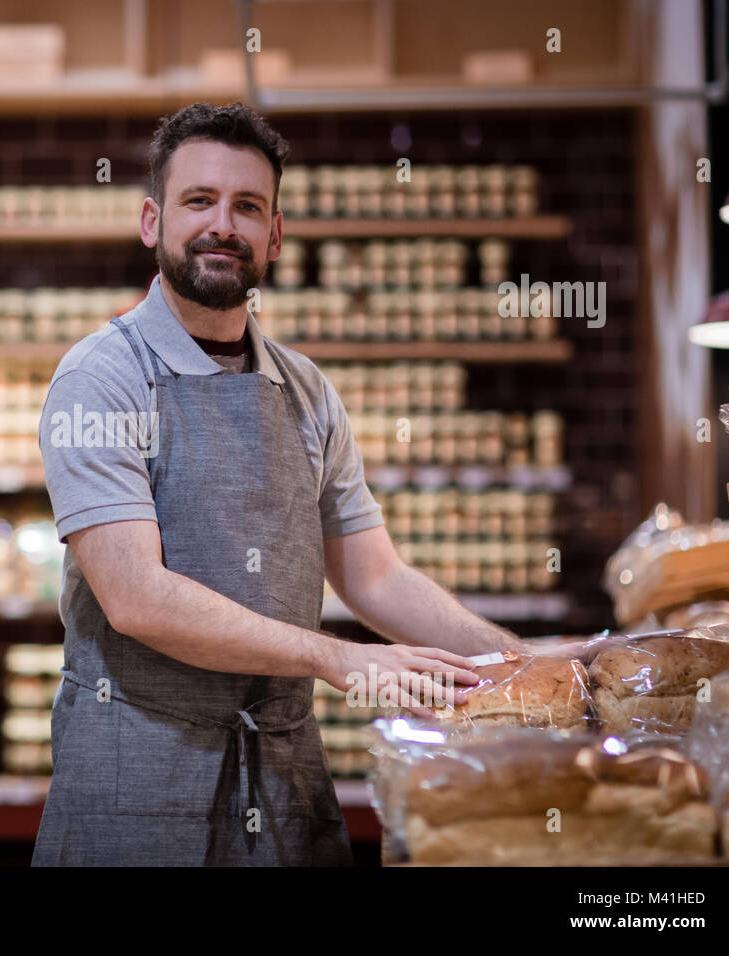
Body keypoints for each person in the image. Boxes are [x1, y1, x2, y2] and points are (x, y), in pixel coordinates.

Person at [31, 102, 530, 866]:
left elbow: (376, 576)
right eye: (199, 201)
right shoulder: (102, 377)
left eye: (247, 207)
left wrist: (515, 664)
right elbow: (134, 596)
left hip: (283, 783)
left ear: (275, 234)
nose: (222, 225)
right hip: (136, 787)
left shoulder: (305, 390)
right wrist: (336, 658)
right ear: (150, 221)